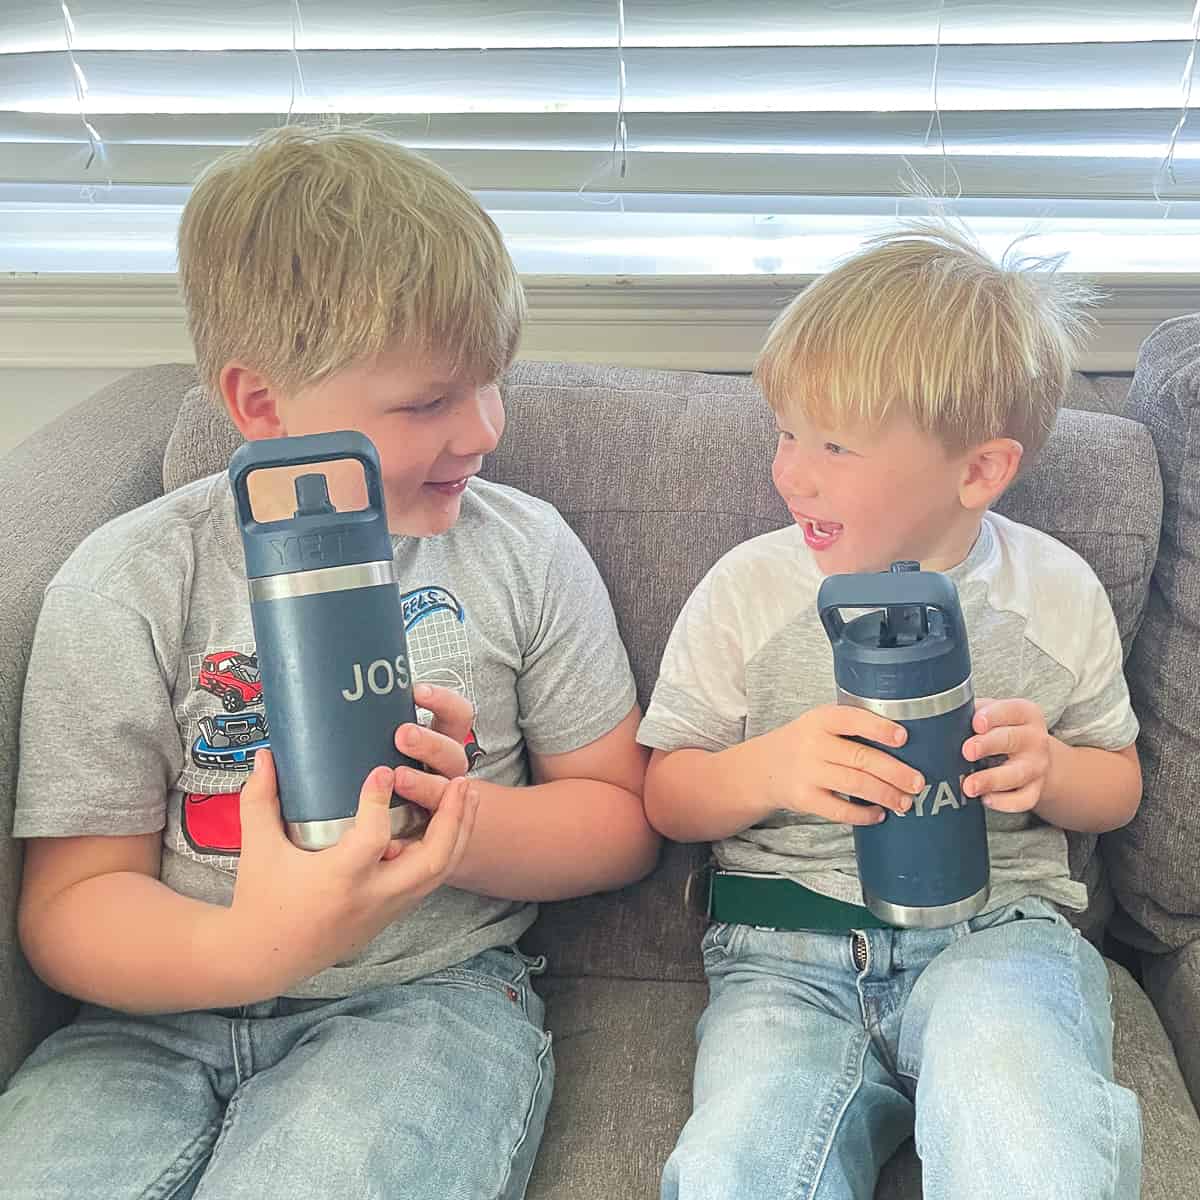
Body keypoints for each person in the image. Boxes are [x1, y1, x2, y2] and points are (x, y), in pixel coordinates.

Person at [0, 126, 657, 1200]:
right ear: (260, 404)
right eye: (427, 402)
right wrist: (254, 948)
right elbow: (73, 900)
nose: (483, 429)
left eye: (493, 383)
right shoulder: (132, 579)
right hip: (155, 1014)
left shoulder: (522, 548)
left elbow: (620, 819)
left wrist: (459, 824)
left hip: (421, 997)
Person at [638, 225, 1142, 1199]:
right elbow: (667, 794)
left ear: (980, 471)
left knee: (1025, 1131)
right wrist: (770, 769)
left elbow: (1118, 785)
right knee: (738, 1164)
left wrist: (1055, 773)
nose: (793, 472)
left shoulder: (1054, 593)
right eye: (787, 431)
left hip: (995, 936)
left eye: (835, 445)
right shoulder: (749, 590)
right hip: (784, 957)